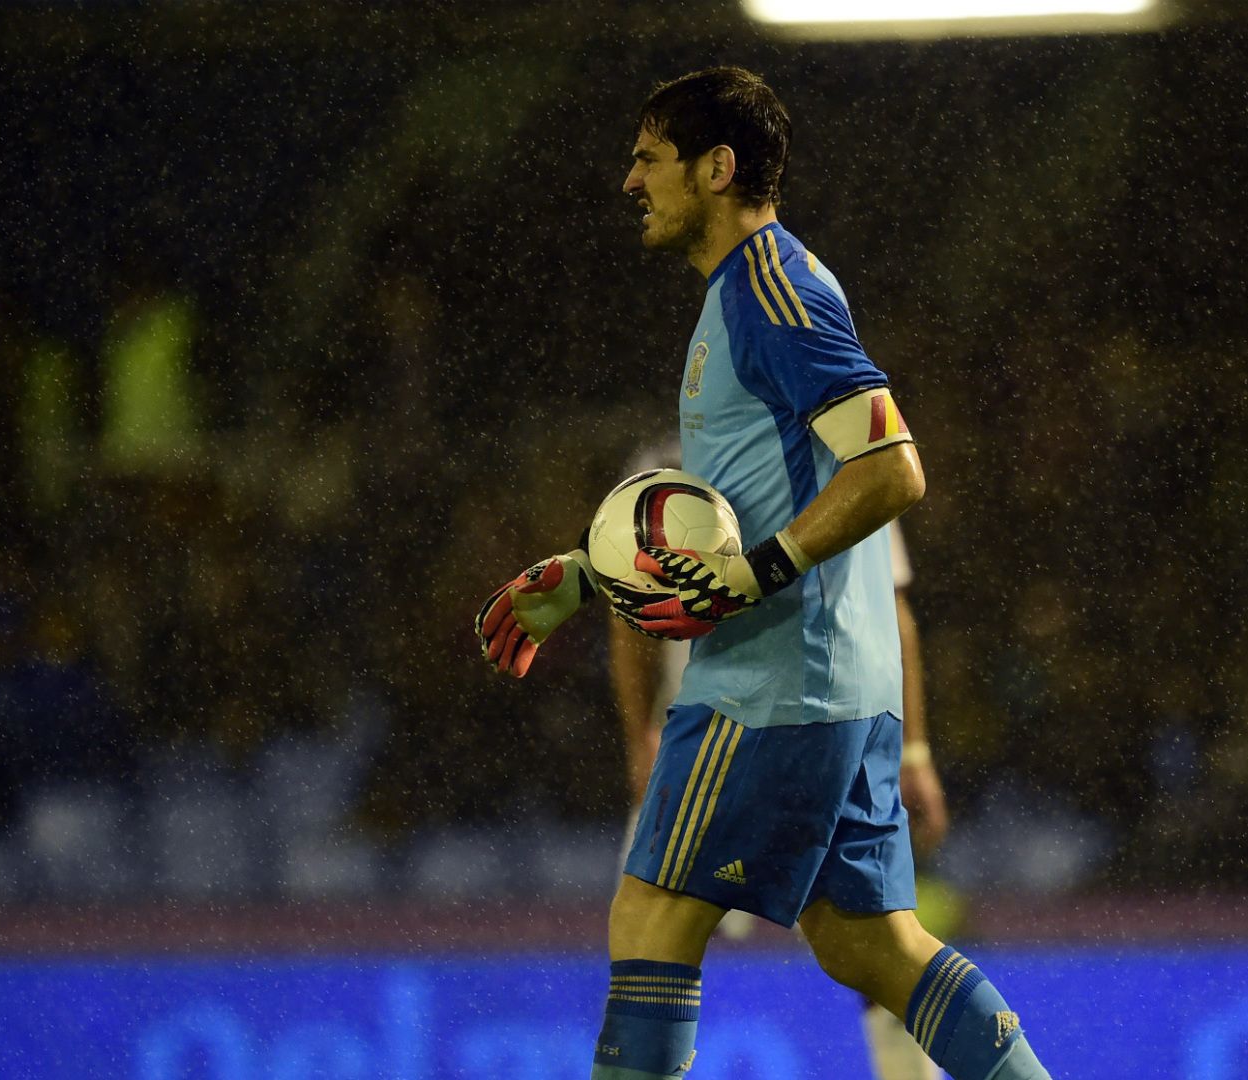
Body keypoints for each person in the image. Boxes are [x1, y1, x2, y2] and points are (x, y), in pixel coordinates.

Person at [475, 67, 1051, 1080]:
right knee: (865, 943)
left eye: (650, 158)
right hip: (837, 685)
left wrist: (761, 575)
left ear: (718, 167)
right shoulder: (744, 300)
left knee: (651, 912)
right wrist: (585, 575)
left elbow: (892, 469)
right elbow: (724, 525)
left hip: (771, 686)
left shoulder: (771, 289)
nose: (630, 181)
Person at [610, 493, 950, 1080]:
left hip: (814, 735)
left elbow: (891, 610)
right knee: (650, 935)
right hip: (705, 737)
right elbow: (631, 613)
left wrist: (912, 750)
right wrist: (639, 730)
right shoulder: (666, 459)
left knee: (875, 945)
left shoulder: (851, 459)